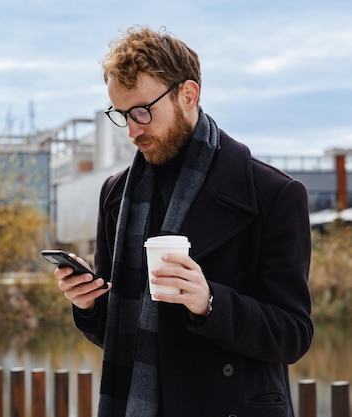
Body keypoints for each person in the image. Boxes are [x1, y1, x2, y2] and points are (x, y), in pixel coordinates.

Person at [53, 26, 313, 417]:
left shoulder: (273, 193)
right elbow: (115, 334)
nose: (133, 130)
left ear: (188, 95)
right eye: (122, 115)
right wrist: (88, 304)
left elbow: (293, 335)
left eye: (142, 111)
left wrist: (209, 303)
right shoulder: (117, 195)